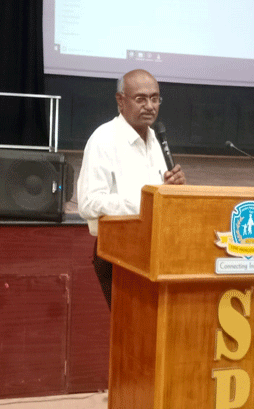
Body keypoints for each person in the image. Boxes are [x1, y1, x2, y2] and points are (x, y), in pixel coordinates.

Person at [77, 69, 186, 309]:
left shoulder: (156, 139)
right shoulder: (103, 139)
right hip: (119, 253)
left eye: (155, 98)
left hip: (156, 251)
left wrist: (173, 191)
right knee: (130, 329)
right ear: (120, 101)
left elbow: (159, 194)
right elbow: (88, 203)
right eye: (141, 99)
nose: (150, 106)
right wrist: (149, 200)